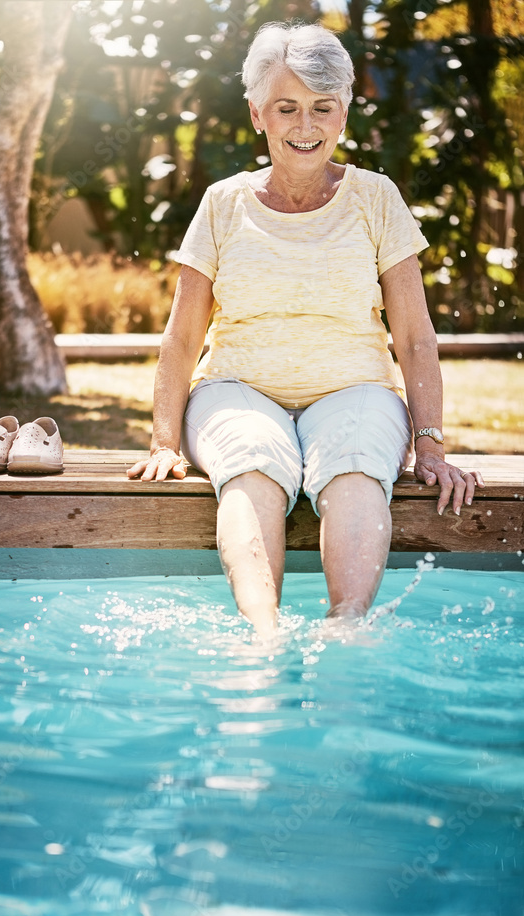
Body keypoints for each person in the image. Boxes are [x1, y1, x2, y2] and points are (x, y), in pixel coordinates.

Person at [128, 21, 484, 637]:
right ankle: (260, 637)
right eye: (287, 108)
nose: (305, 125)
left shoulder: (377, 199)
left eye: (323, 108)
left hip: (356, 390)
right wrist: (164, 441)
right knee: (253, 461)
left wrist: (430, 442)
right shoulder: (222, 203)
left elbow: (415, 335)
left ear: (343, 114)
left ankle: (345, 630)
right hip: (236, 388)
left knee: (353, 463)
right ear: (257, 113)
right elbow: (181, 337)